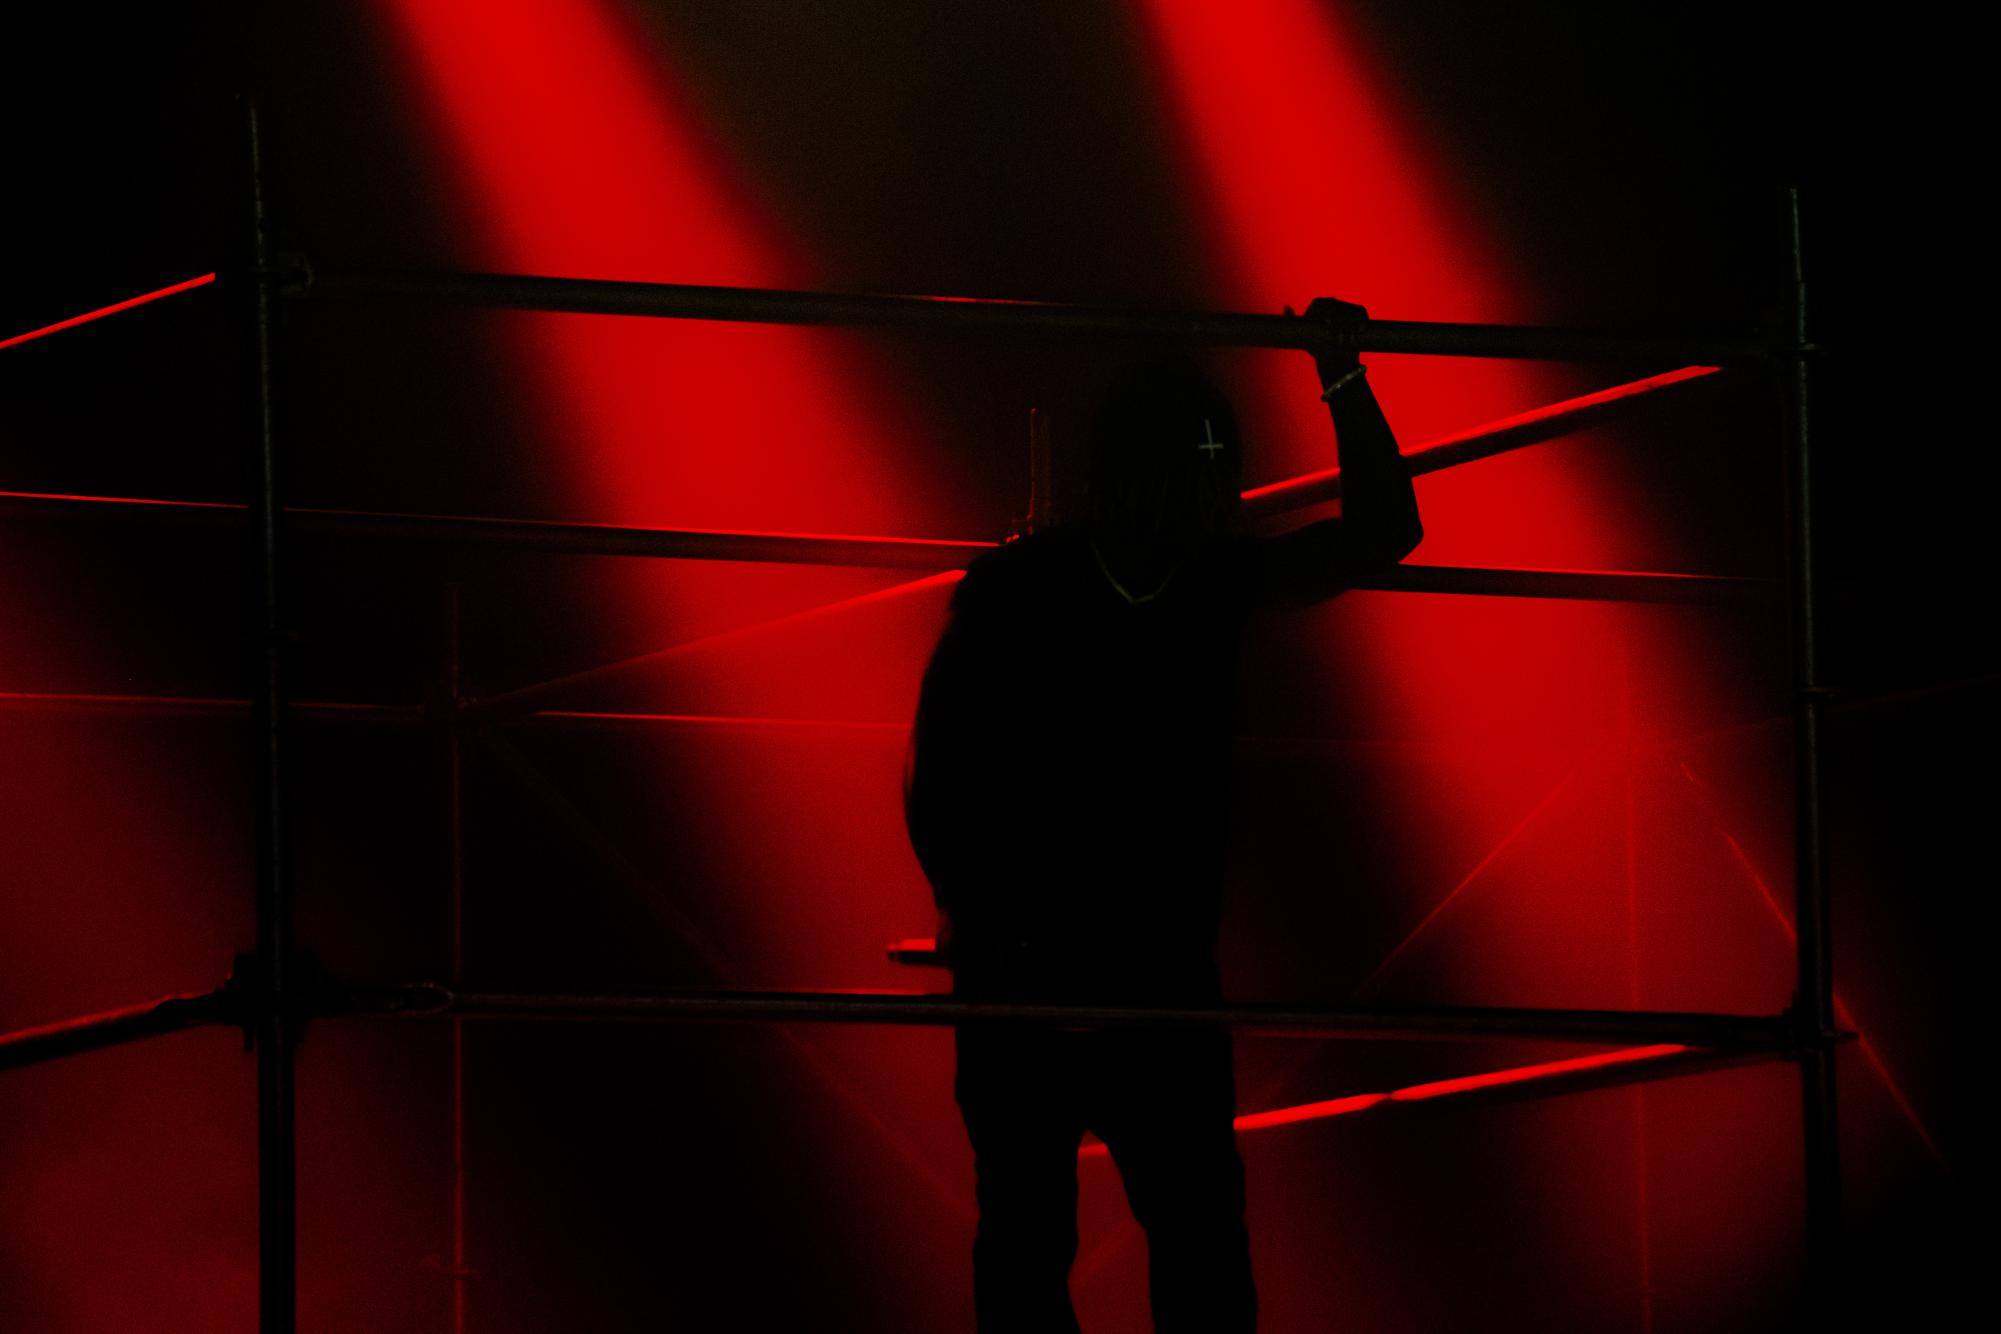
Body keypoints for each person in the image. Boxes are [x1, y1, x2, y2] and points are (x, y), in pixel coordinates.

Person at [904, 299, 1421, 1333]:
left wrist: (1343, 376)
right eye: (1199, 468)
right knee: (1107, 1241)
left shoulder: (1101, 582)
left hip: (1086, 982)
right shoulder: (1124, 583)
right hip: (1081, 982)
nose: (1211, 492)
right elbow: (939, 782)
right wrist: (1341, 375)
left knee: (1090, 1241)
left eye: (1213, 470)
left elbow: (936, 779)